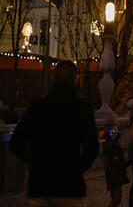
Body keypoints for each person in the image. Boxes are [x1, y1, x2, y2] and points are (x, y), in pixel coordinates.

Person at [10, 60, 100, 205]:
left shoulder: (37, 108)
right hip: (70, 186)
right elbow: (92, 147)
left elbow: (15, 144)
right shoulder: (82, 109)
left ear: (53, 78)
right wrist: (77, 168)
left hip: (40, 184)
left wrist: (34, 162)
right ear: (75, 79)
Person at [101, 128, 128, 207]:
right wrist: (129, 162)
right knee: (116, 198)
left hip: (115, 177)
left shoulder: (112, 149)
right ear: (114, 140)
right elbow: (119, 164)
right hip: (114, 178)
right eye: (119, 138)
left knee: (117, 197)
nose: (121, 140)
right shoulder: (113, 151)